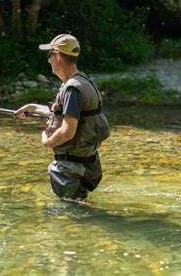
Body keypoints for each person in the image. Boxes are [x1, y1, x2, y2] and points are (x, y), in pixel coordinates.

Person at [15, 34, 110, 201]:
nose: (48, 60)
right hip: (87, 164)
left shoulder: (72, 89)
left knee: (68, 215)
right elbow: (67, 114)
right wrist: (34, 108)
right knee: (78, 212)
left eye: (49, 55)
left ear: (58, 55)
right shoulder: (84, 81)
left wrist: (47, 141)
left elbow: (67, 132)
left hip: (71, 168)